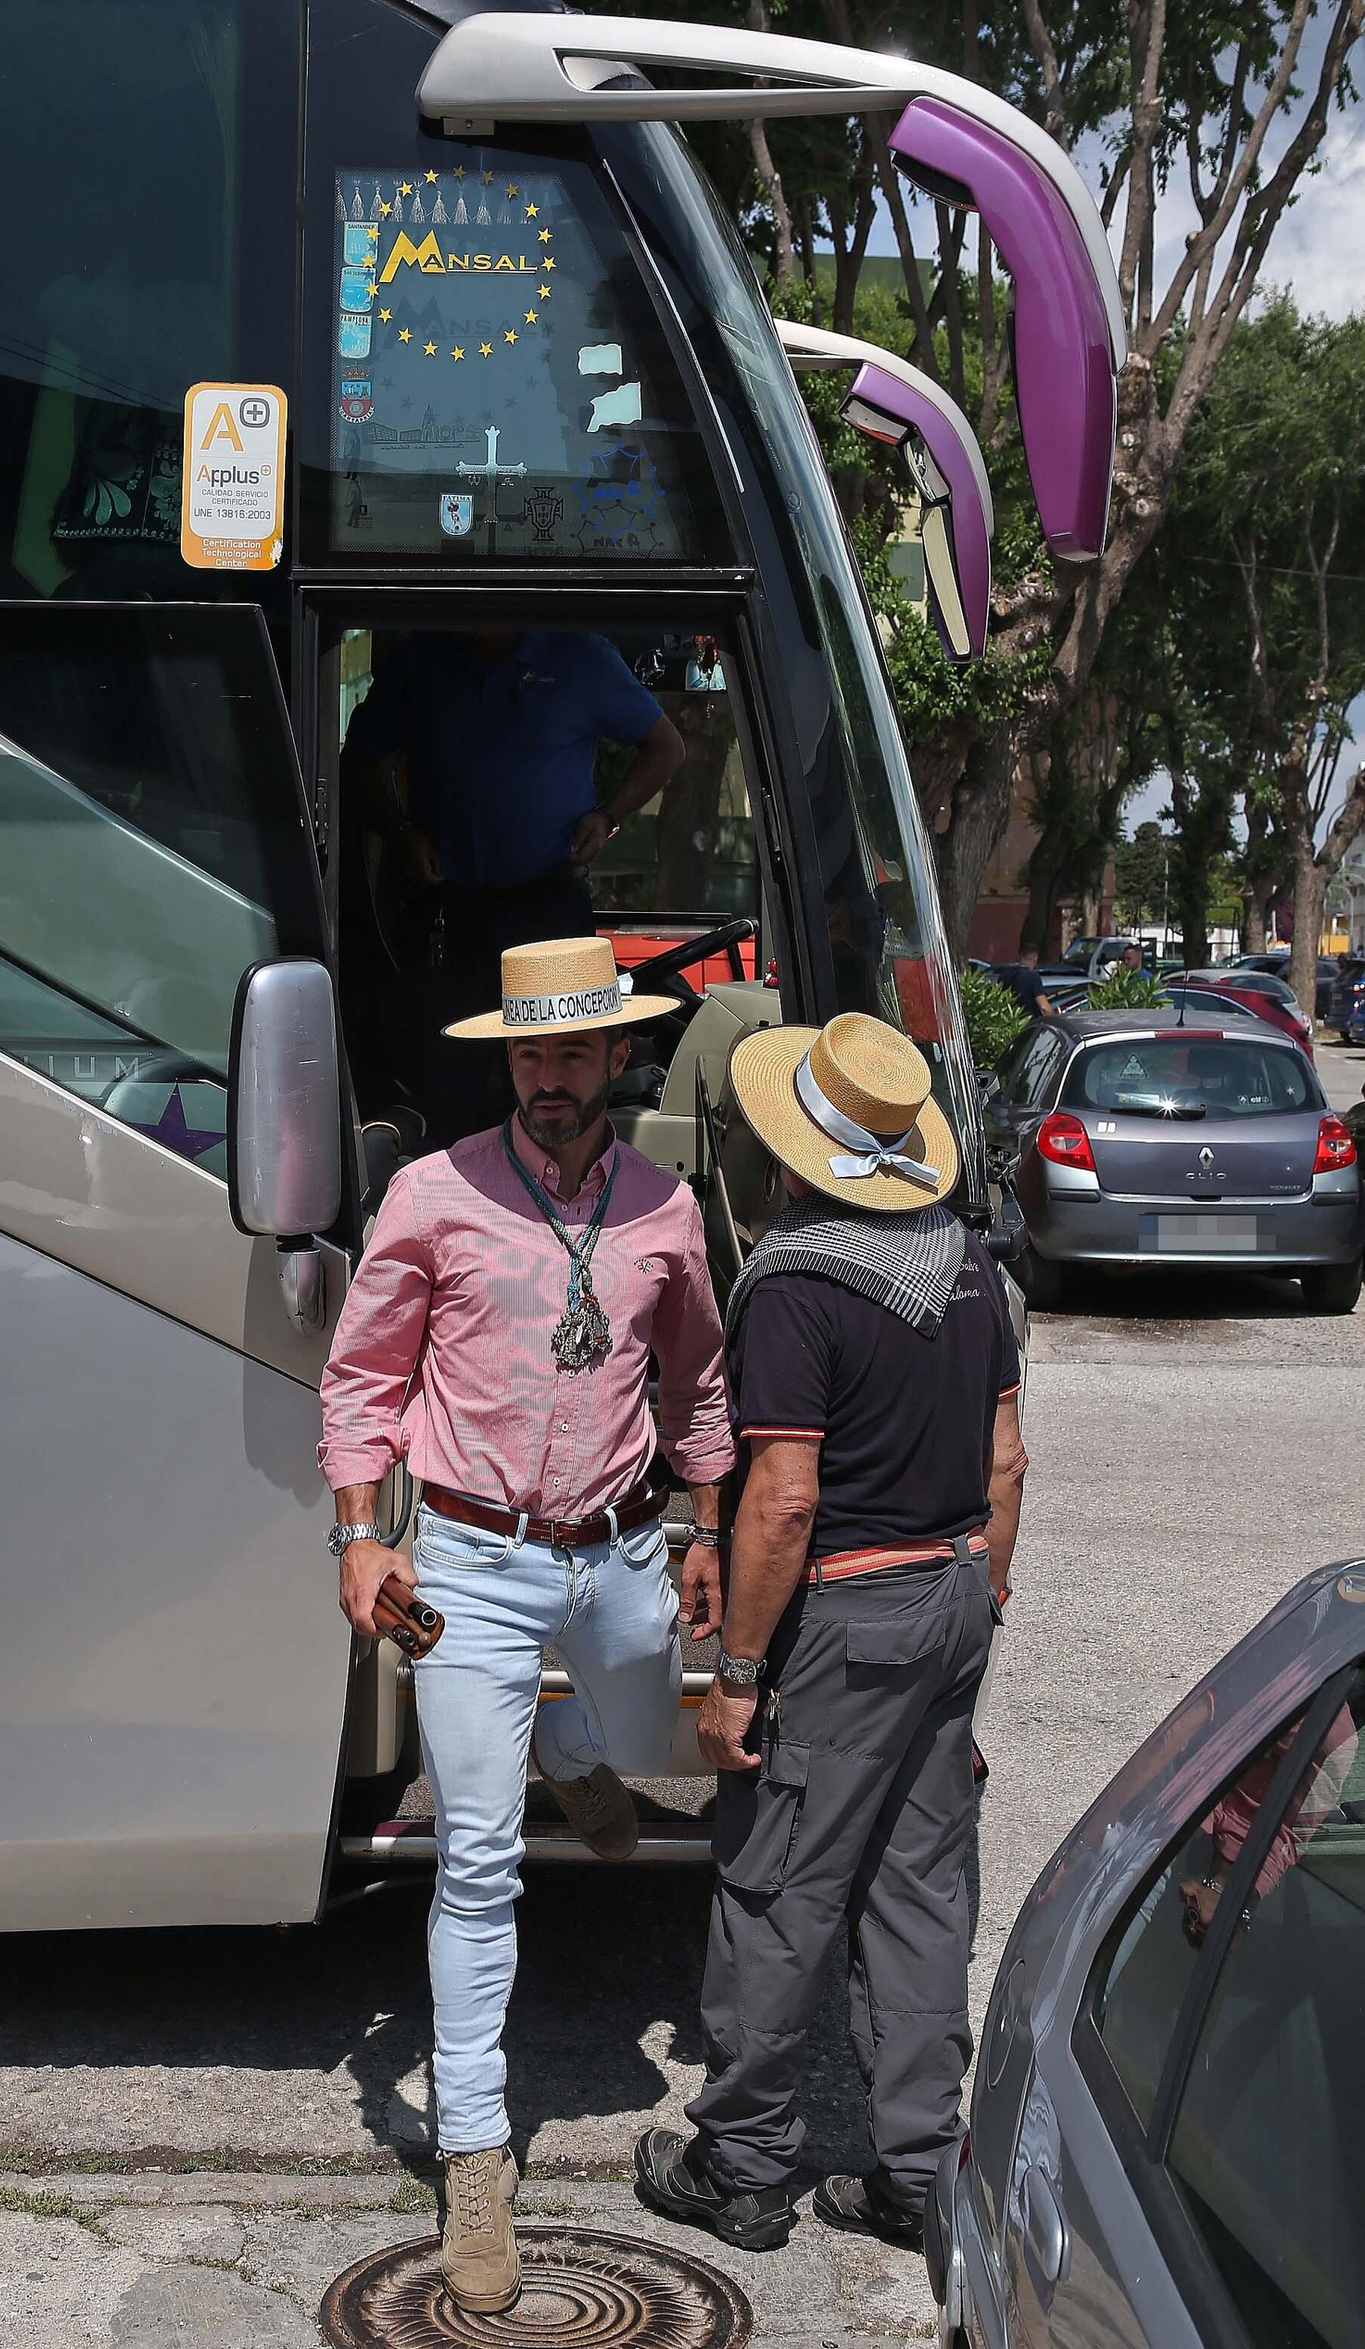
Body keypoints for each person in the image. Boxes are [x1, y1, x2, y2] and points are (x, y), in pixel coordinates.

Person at [318, 935, 735, 2314]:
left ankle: (574, 1747)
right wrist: (359, 1533)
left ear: (617, 1055)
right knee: (478, 1863)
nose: (550, 1078)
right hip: (468, 1565)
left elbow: (698, 1383)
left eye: (573, 1051)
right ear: (507, 1061)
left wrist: (710, 1530)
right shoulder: (432, 1195)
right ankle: (477, 2155)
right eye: (530, 1053)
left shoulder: (666, 1208)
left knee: (640, 1740)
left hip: (617, 1554)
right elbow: (363, 1377)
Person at [635, 1012, 1029, 2252]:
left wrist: (736, 1676)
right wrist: (977, 1608)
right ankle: (917, 2172)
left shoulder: (797, 1279)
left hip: (850, 1616)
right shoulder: (970, 1262)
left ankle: (743, 2164)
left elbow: (785, 1502)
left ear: (788, 1148)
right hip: (955, 1589)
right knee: (920, 1891)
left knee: (778, 1887)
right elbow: (1006, 1464)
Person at [345, 629, 686, 1141]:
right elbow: (358, 760)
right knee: (450, 1084)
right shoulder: (423, 659)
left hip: (551, 914)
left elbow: (667, 747)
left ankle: (558, 1190)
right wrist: (401, 833)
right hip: (449, 917)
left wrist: (608, 816)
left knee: (558, 1084)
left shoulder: (580, 656)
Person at [1005, 946, 1055, 1022]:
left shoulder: (1005, 974)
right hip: (1028, 1023)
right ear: (1035, 959)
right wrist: (1054, 1021)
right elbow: (1044, 1007)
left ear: (1019, 957)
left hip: (1008, 1022)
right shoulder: (1033, 977)